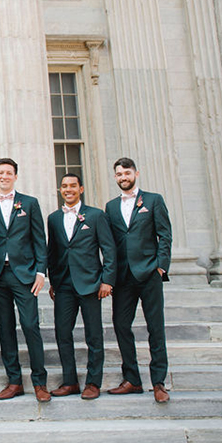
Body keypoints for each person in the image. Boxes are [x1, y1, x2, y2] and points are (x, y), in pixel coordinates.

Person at [0, 158, 50, 402]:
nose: (4, 176)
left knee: (30, 326)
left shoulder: (29, 204)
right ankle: (15, 381)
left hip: (25, 275)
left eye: (9, 173)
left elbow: (40, 239)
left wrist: (41, 272)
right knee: (5, 329)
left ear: (15, 177)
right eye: (1, 172)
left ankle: (40, 381)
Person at [104, 157, 172, 403]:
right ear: (115, 177)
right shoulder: (110, 207)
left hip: (149, 274)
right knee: (121, 325)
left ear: (136, 173)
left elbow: (164, 235)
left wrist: (161, 267)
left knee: (156, 328)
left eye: (127, 173)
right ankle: (132, 378)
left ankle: (158, 382)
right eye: (119, 174)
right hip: (122, 278)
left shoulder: (154, 200)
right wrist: (108, 277)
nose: (124, 177)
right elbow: (109, 244)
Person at [46, 173, 116, 400]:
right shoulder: (54, 218)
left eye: (73, 186)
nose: (68, 190)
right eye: (64, 186)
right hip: (64, 285)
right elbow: (53, 251)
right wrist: (53, 281)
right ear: (60, 190)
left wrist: (107, 280)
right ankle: (70, 382)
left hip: (91, 284)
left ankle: (93, 383)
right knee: (62, 333)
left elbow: (109, 249)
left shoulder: (95, 216)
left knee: (93, 335)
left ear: (81, 189)